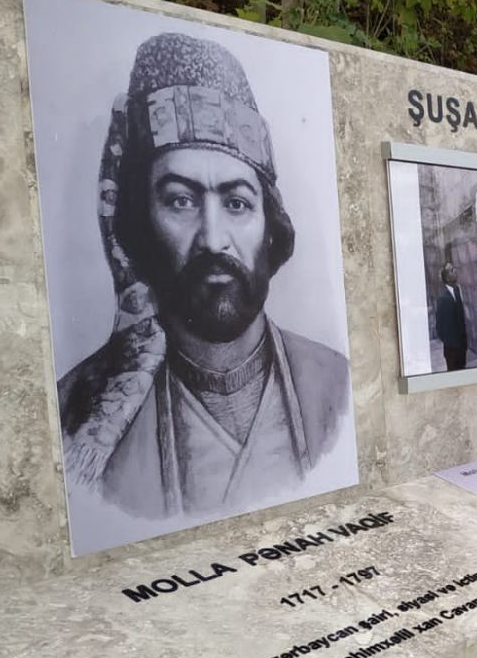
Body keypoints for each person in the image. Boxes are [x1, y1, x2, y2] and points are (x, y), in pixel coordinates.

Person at [57, 32, 351, 519]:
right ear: (139, 223)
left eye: (237, 203)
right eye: (180, 200)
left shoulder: (336, 386)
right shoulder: (77, 417)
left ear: (270, 227)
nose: (213, 239)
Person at [434, 263, 468, 371]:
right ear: (447, 277)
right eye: (452, 270)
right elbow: (439, 325)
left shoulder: (457, 290)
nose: (455, 271)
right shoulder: (443, 298)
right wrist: (449, 342)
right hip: (451, 349)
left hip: (462, 346)